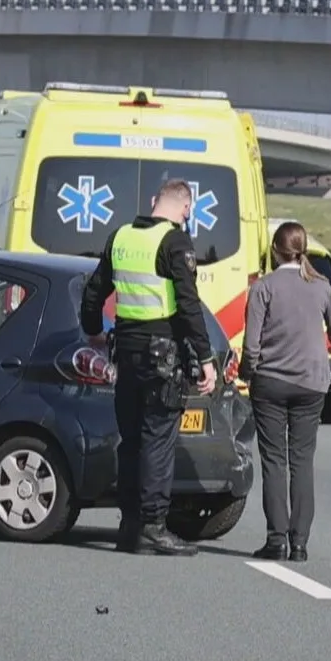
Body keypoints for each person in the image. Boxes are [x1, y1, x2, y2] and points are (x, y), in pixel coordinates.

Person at [79, 178, 216, 557]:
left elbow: (94, 291)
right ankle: (154, 526)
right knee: (158, 440)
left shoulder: (121, 236)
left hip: (126, 354)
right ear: (185, 208)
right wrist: (206, 359)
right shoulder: (174, 242)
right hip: (163, 358)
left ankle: (129, 526)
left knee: (132, 442)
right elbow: (188, 305)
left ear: (155, 201)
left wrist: (92, 330)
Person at [239, 222, 331, 562]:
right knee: (302, 460)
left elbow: (252, 345)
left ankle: (276, 539)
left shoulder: (263, 288)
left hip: (270, 382)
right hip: (311, 383)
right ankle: (300, 543)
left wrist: (246, 373)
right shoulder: (321, 286)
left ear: (274, 251)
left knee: (274, 461)